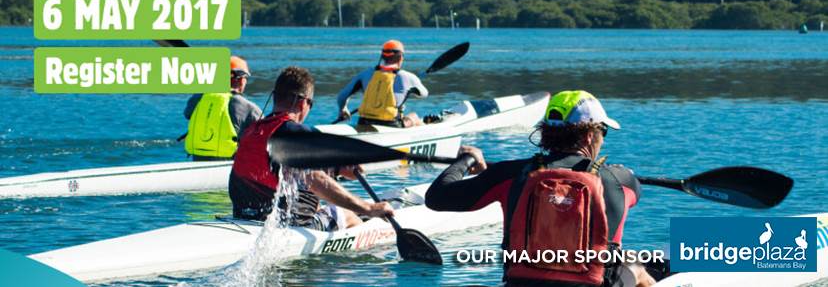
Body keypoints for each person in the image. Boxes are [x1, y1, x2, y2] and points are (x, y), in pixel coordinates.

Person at [425, 90, 655, 287]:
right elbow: (635, 193)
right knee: (635, 264)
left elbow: (436, 198)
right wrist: (620, 173)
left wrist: (465, 160)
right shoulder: (621, 181)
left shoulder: (509, 174)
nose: (603, 139)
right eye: (603, 131)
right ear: (588, 136)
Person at [229, 66, 394, 231]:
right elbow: (316, 179)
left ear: (274, 97)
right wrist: (368, 208)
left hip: (245, 217)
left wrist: (337, 166)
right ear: (302, 103)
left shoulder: (252, 131)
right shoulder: (296, 133)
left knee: (304, 193)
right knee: (348, 215)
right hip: (281, 227)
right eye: (311, 104)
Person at [183, 56, 262, 161]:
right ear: (239, 79)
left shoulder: (199, 98)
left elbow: (187, 114)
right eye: (245, 78)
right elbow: (264, 132)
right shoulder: (249, 107)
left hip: (198, 160)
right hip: (227, 165)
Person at [336, 40, 428, 128]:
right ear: (400, 58)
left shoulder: (365, 74)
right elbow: (424, 94)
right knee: (414, 116)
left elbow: (342, 96)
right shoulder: (408, 77)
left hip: (363, 122)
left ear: (382, 57)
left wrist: (343, 109)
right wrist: (411, 89)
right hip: (391, 125)